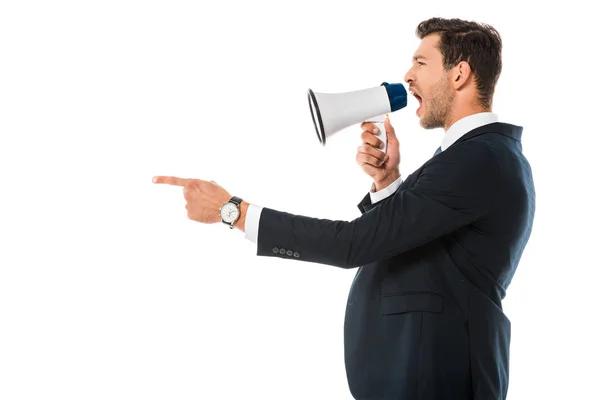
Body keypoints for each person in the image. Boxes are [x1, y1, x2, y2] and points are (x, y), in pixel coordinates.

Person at [153, 17, 536, 400]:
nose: (408, 74)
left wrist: (231, 210)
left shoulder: (479, 158)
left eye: (421, 63)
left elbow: (352, 244)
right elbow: (418, 246)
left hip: (436, 380)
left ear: (459, 74)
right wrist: (388, 182)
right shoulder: (473, 155)